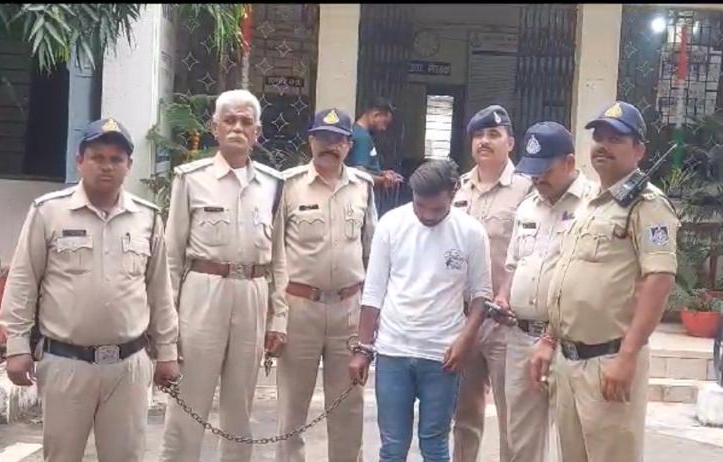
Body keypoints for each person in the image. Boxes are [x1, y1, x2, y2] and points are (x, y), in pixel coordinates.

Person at [0, 118, 180, 462]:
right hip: (66, 363)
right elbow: (24, 280)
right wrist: (16, 346)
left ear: (129, 165)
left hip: (129, 365)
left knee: (126, 456)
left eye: (116, 159)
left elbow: (160, 290)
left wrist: (168, 351)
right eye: (97, 157)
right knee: (62, 456)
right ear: (79, 161)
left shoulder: (147, 217)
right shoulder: (49, 212)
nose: (106, 166)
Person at [528, 102, 680, 462]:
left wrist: (627, 356)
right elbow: (569, 277)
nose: (603, 146)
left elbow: (659, 280)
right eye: (599, 138)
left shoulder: (648, 205)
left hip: (608, 362)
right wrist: (548, 339)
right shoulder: (591, 203)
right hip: (568, 361)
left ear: (639, 150)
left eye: (616, 139)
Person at [346, 159, 511, 462]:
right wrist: (363, 348)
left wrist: (465, 341)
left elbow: (481, 296)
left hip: (443, 356)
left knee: (434, 444)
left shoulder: (471, 233)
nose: (426, 215)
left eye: (436, 209)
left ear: (454, 192)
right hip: (393, 352)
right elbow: (373, 292)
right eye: (420, 206)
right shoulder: (391, 224)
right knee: (392, 446)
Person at [160, 89, 288, 462]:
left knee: (240, 405)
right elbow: (171, 255)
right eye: (229, 120)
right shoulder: (191, 179)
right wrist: (166, 323)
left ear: (257, 132)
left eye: (246, 122)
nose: (237, 128)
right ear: (214, 127)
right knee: (189, 398)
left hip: (252, 294)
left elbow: (279, 257)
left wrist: (279, 317)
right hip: (203, 292)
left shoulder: (272, 184)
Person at [274, 108, 377, 462]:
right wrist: (275, 315)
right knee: (292, 407)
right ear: (311, 141)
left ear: (348, 145)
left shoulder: (363, 187)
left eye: (337, 140)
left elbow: (371, 252)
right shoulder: (287, 186)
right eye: (323, 138)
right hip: (299, 309)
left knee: (348, 405)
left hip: (348, 310)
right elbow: (275, 256)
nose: (329, 145)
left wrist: (370, 316)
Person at [497, 121, 593, 462]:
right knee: (520, 441)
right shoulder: (527, 206)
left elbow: (588, 281)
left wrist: (551, 338)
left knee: (575, 441)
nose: (538, 178)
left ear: (570, 162)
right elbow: (513, 265)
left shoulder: (593, 206)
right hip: (521, 337)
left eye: (546, 171)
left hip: (570, 342)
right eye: (532, 171)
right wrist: (503, 296)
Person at [451, 104, 534, 462]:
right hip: (463, 319)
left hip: (505, 322)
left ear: (510, 143)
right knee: (464, 414)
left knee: (512, 416)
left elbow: (532, 252)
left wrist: (507, 295)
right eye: (478, 135)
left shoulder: (528, 189)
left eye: (493, 135)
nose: (484, 141)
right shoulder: (458, 187)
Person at [346, 97, 404, 190]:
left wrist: (381, 173)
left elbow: (363, 167)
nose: (384, 128)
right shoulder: (362, 138)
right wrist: (383, 180)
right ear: (376, 115)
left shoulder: (356, 131)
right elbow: (360, 174)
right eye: (384, 123)